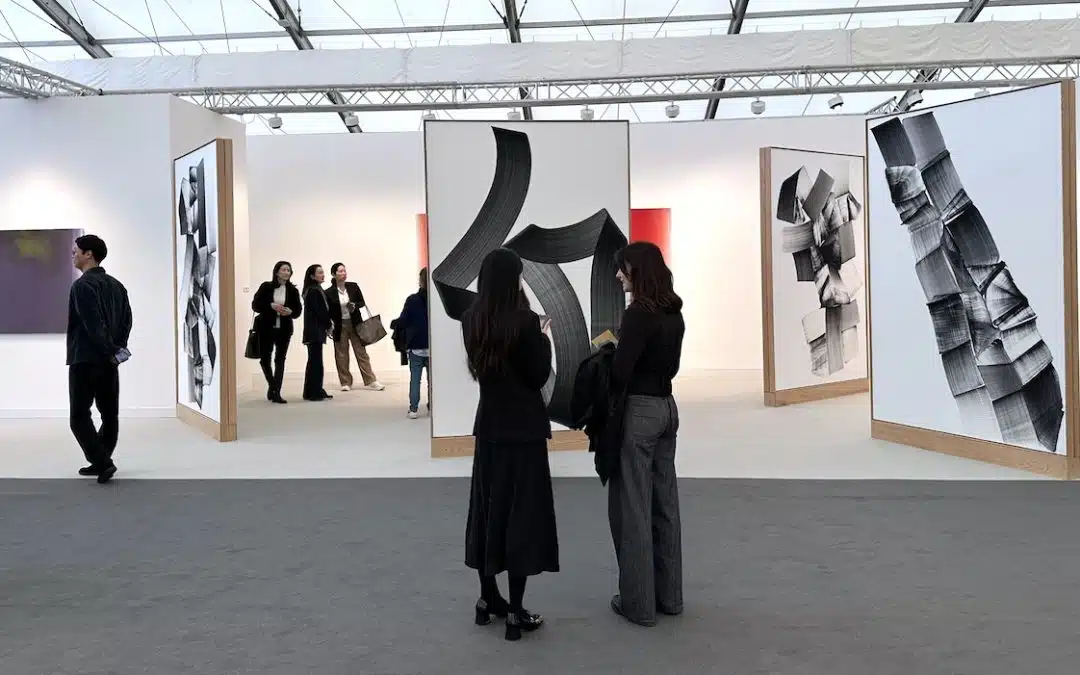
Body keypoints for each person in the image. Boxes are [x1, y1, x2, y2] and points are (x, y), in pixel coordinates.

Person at [462, 248, 559, 642]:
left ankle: (487, 598)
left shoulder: (472, 318)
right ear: (514, 278)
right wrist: (544, 339)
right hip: (524, 432)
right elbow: (537, 376)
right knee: (521, 514)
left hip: (489, 428)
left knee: (488, 510)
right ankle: (516, 611)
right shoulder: (527, 322)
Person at [606, 241, 685, 627]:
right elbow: (672, 367)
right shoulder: (674, 313)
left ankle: (638, 604)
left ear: (637, 271)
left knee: (633, 507)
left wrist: (611, 352)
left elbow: (621, 372)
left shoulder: (638, 314)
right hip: (667, 409)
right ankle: (670, 598)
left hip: (639, 413)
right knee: (665, 505)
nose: (619, 275)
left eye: (623, 268)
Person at [67, 234, 132, 484]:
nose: (73, 255)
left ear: (89, 254)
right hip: (109, 361)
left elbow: (92, 325)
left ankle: (103, 462)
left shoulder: (81, 286)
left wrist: (107, 349)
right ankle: (101, 460)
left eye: (76, 251)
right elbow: (126, 322)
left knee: (78, 416)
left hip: (85, 359)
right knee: (109, 413)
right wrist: (116, 350)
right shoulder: (117, 286)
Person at [325, 263, 385, 392]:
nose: (343, 273)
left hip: (355, 324)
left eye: (344, 271)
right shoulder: (329, 292)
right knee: (341, 354)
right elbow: (328, 311)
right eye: (340, 271)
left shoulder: (353, 286)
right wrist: (329, 326)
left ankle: (371, 380)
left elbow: (362, 302)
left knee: (361, 353)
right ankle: (345, 382)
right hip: (339, 325)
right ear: (334, 274)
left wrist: (354, 305)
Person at [251, 261, 302, 403]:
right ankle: (272, 386)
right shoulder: (266, 287)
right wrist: (270, 305)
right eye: (284, 269)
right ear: (277, 272)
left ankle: (276, 392)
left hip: (284, 329)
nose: (287, 272)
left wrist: (290, 311)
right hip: (266, 328)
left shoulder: (293, 290)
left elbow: (298, 311)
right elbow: (255, 305)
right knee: (265, 359)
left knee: (280, 359)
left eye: (289, 270)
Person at [394, 267, 430, 419]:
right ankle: (432, 406)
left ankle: (414, 409)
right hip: (433, 346)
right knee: (432, 381)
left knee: (415, 379)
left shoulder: (412, 300)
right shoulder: (437, 299)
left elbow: (403, 320)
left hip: (415, 346)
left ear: (420, 281)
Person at [301, 264, 333, 402]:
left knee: (314, 361)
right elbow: (320, 311)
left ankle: (312, 390)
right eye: (319, 272)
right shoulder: (314, 291)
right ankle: (314, 392)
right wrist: (329, 325)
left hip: (314, 330)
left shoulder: (314, 289)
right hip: (315, 331)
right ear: (312, 276)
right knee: (316, 362)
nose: (322, 275)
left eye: (322, 272)